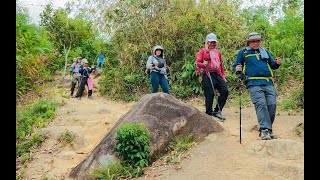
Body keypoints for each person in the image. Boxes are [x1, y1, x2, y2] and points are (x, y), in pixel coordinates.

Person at [233, 32, 282, 140]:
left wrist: (277, 63)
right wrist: (237, 70)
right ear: (249, 42)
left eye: (258, 41)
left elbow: (272, 65)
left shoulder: (265, 52)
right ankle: (264, 130)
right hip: (253, 83)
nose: (256, 43)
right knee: (261, 104)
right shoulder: (243, 52)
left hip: (268, 82)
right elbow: (236, 66)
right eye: (253, 41)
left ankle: (268, 130)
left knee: (272, 105)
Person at [196, 33, 229, 121]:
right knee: (209, 94)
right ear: (207, 42)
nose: (213, 44)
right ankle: (209, 113)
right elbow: (197, 63)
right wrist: (203, 64)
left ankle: (217, 111)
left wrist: (223, 76)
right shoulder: (202, 51)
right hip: (207, 74)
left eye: (214, 42)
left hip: (217, 73)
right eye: (211, 42)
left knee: (225, 91)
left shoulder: (217, 52)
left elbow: (220, 65)